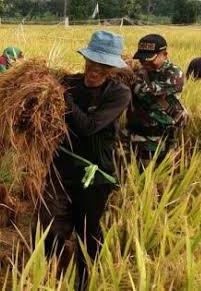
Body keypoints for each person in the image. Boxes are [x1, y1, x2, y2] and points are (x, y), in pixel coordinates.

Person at [37, 30, 131, 286]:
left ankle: (84, 281)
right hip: (61, 166)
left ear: (112, 67)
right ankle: (51, 276)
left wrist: (64, 99)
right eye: (92, 61)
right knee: (48, 224)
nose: (95, 69)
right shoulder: (70, 83)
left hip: (94, 175)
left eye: (103, 64)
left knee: (87, 231)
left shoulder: (118, 93)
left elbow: (89, 126)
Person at [126, 34, 187, 164]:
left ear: (164, 55)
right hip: (134, 133)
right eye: (142, 60)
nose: (145, 63)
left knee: (151, 176)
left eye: (150, 59)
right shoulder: (141, 71)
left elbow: (147, 93)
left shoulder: (174, 74)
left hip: (157, 138)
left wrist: (128, 74)